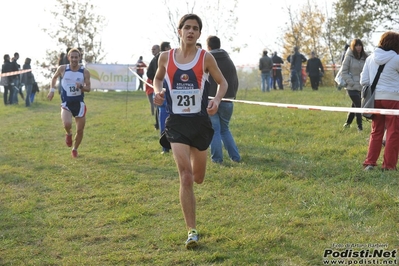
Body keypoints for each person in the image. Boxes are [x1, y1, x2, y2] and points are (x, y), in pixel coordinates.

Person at [153, 14, 227, 249]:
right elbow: (157, 78)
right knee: (185, 177)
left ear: (199, 33)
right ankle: (191, 232)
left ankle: (192, 212)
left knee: (198, 178)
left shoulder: (205, 58)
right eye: (187, 28)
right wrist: (158, 92)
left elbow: (222, 83)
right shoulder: (165, 57)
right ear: (179, 31)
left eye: (195, 28)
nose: (191, 31)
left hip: (199, 123)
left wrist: (216, 99)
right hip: (176, 124)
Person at [361, 31, 399, 171]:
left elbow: (363, 81)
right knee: (393, 133)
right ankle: (388, 166)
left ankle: (370, 163)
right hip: (394, 99)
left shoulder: (370, 58)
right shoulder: (396, 59)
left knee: (376, 131)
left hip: (375, 99)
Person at [47, 48, 91, 158]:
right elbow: (54, 77)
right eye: (72, 57)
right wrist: (52, 90)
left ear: (80, 58)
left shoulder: (84, 71)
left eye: (76, 57)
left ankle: (75, 149)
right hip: (66, 103)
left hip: (79, 104)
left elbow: (89, 88)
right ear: (68, 58)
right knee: (67, 124)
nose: (74, 59)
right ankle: (69, 133)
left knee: (80, 130)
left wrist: (81, 87)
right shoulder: (62, 69)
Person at [206, 35, 241, 163]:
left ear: (208, 46)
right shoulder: (228, 60)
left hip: (211, 100)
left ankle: (217, 159)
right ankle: (235, 157)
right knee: (225, 129)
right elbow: (234, 80)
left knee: (214, 130)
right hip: (228, 100)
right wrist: (232, 96)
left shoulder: (207, 59)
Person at [341, 38, 368, 132]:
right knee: (358, 105)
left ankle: (347, 123)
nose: (358, 47)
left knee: (354, 106)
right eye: (356, 45)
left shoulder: (366, 57)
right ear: (353, 46)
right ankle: (360, 127)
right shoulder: (348, 57)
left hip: (362, 86)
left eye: (360, 45)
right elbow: (343, 72)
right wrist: (351, 83)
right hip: (351, 86)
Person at [147, 42, 171, 130]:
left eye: (154, 49)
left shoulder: (154, 59)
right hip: (166, 88)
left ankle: (160, 128)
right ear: (166, 48)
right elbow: (149, 73)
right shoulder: (170, 57)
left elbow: (149, 73)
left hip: (158, 88)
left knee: (160, 109)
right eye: (170, 47)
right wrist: (157, 79)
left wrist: (156, 81)